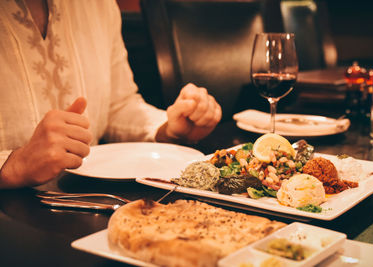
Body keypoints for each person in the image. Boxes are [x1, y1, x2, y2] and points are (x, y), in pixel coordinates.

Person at [0, 0, 222, 189]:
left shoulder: (100, 4)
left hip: (87, 198)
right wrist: (14, 166)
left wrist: (169, 128)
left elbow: (118, 105)